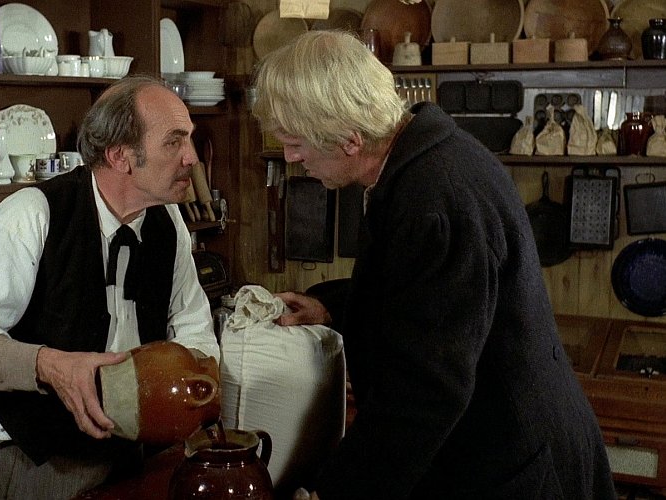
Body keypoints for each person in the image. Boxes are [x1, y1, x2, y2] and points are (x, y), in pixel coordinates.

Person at [252, 31, 616, 500]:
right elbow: (420, 292)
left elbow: (424, 391)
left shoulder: (436, 198)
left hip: (514, 464)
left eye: (295, 142)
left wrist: (336, 493)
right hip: (496, 447)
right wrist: (330, 308)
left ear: (349, 138)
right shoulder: (419, 161)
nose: (290, 157)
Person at [0, 75, 220, 500]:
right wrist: (47, 365)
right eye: (174, 142)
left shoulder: (167, 220)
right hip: (44, 462)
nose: (191, 157)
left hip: (139, 450)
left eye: (189, 139)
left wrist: (195, 388)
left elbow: (193, 326)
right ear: (120, 156)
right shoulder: (31, 214)